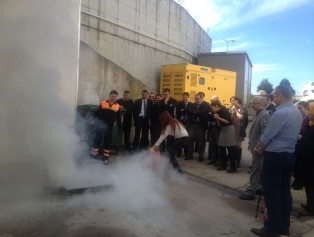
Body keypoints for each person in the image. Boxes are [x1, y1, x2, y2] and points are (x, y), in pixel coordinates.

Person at [251, 85, 303, 237]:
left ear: (280, 95)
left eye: (273, 96)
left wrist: (259, 148)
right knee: (284, 191)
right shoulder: (296, 112)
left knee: (272, 192)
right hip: (289, 155)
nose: (272, 99)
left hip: (275, 156)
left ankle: (270, 229)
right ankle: (283, 226)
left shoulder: (280, 113)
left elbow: (267, 135)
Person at [239, 96, 269, 200]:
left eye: (254, 103)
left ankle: (251, 192)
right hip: (255, 146)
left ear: (261, 104)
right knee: (258, 169)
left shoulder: (264, 115)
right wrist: (251, 143)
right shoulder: (258, 113)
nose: (252, 105)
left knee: (256, 169)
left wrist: (258, 146)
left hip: (258, 148)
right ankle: (259, 188)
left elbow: (264, 133)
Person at [90, 90, 121, 165]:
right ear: (109, 95)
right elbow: (97, 112)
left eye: (115, 97)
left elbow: (118, 118)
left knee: (107, 142)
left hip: (109, 127)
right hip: (100, 125)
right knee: (97, 140)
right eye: (112, 96)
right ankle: (93, 156)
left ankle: (105, 158)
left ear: (116, 97)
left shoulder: (117, 106)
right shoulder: (103, 103)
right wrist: (92, 118)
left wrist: (119, 128)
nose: (113, 98)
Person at [210, 100, 237, 173]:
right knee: (221, 147)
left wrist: (218, 118)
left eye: (212, 108)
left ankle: (233, 167)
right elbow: (219, 124)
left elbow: (227, 121)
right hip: (223, 129)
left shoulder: (224, 111)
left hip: (229, 129)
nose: (211, 110)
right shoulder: (217, 112)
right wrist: (217, 119)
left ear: (216, 106)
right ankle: (223, 165)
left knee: (230, 149)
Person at [299, 102, 314, 216]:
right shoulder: (311, 122)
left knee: (310, 183)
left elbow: (311, 141)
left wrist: (302, 137)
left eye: (310, 109)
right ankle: (309, 204)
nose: (308, 112)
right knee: (308, 183)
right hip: (307, 157)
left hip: (311, 159)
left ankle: (311, 209)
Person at [185, 93, 210, 162]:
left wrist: (195, 113)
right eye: (195, 98)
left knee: (200, 141)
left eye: (198, 98)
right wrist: (196, 112)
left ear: (202, 98)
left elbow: (202, 113)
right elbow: (188, 111)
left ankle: (201, 156)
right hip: (192, 124)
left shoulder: (205, 105)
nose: (196, 100)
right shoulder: (192, 105)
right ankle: (189, 155)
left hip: (200, 125)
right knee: (190, 140)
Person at [291, 101, 310, 190]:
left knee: (299, 163)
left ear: (307, 108)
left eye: (300, 108)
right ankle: (297, 179)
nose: (299, 110)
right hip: (297, 143)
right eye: (297, 108)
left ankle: (299, 181)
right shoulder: (301, 117)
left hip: (303, 144)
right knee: (296, 162)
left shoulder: (308, 119)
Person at [230, 96, 249, 168]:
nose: (232, 102)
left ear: (237, 101)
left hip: (239, 129)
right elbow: (230, 118)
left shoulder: (243, 109)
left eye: (233, 101)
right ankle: (233, 160)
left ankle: (238, 161)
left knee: (238, 145)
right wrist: (232, 113)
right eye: (231, 101)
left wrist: (235, 110)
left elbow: (241, 117)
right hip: (232, 129)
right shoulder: (231, 108)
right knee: (233, 145)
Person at [176, 92, 192, 157]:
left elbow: (190, 112)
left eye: (185, 97)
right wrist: (185, 110)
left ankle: (186, 152)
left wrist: (183, 110)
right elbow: (178, 111)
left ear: (188, 97)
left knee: (186, 138)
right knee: (179, 137)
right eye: (183, 97)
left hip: (188, 122)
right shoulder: (179, 104)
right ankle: (179, 152)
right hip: (181, 122)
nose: (184, 98)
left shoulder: (191, 104)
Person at [207, 95, 221, 166]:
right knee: (212, 143)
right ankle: (213, 159)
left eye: (213, 100)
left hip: (218, 128)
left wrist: (212, 115)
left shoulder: (220, 108)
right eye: (211, 100)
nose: (211, 102)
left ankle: (219, 160)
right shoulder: (210, 108)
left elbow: (217, 116)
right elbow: (208, 115)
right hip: (211, 127)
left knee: (218, 144)